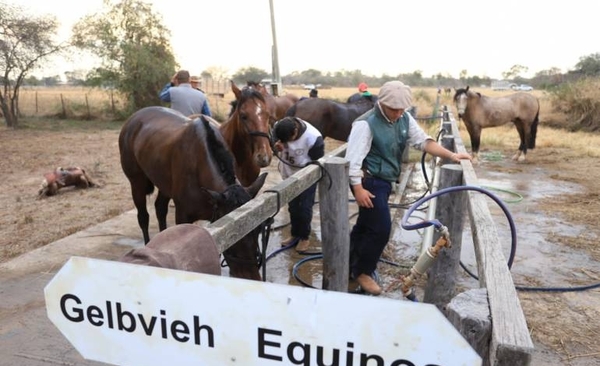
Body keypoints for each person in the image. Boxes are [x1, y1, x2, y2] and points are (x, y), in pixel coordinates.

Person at [345, 80, 472, 295]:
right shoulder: (366, 124)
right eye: (393, 109)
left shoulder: (404, 118)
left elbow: (423, 141)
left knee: (366, 225)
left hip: (385, 180)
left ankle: (350, 264)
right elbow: (353, 159)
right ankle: (363, 271)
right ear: (382, 104)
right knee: (381, 229)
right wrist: (357, 188)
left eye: (401, 109)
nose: (397, 113)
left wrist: (451, 155)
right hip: (370, 181)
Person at [272, 116, 325, 253]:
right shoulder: (279, 127)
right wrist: (276, 148)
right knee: (293, 207)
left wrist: (308, 175)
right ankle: (295, 234)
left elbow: (316, 161)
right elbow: (272, 146)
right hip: (289, 174)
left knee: (305, 208)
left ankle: (304, 237)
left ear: (295, 131)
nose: (287, 143)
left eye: (289, 140)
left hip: (306, 176)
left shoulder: (313, 138)